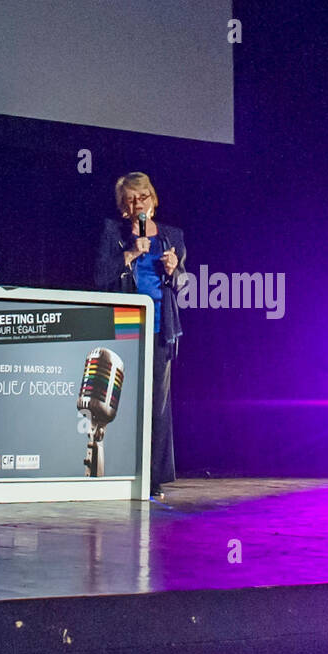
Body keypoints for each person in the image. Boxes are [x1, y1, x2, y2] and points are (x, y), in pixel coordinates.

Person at [94, 172, 187, 499]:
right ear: (123, 206)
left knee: (156, 406)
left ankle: (153, 477)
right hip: (123, 326)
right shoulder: (113, 233)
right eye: (131, 199)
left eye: (143, 196)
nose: (139, 204)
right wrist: (131, 253)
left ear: (154, 199)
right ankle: (117, 470)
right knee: (120, 400)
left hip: (161, 327)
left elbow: (183, 284)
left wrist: (175, 271)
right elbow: (100, 277)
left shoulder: (173, 235)